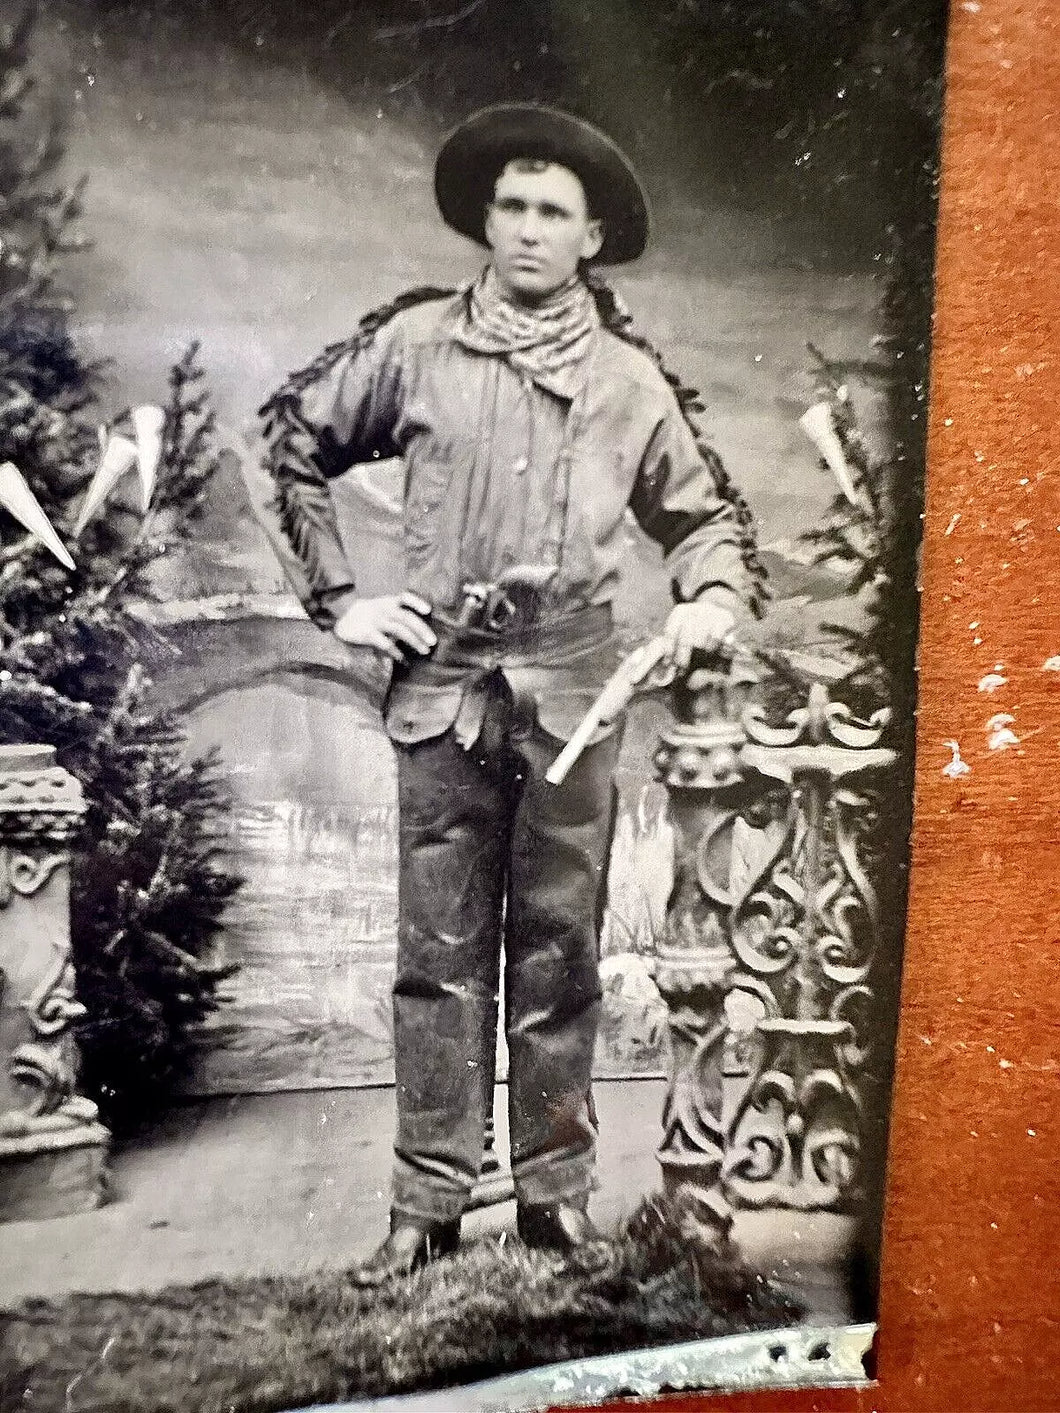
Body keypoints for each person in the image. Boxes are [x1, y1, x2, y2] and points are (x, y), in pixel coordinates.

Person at [253, 103, 756, 1286]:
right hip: (440, 687)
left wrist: (708, 598)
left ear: (591, 239)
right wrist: (341, 601)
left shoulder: (632, 384)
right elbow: (289, 442)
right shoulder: (415, 347)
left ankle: (552, 1198)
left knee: (558, 950)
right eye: (512, 208)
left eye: (553, 214)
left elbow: (707, 520)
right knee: (435, 951)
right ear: (486, 220)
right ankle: (424, 1207)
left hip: (576, 693)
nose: (527, 231)